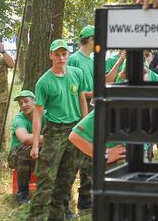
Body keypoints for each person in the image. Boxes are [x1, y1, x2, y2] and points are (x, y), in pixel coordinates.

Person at [28, 39, 90, 220]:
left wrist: (84, 126)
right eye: (57, 54)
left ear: (68, 55)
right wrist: (34, 144)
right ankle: (37, 215)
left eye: (64, 54)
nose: (61, 58)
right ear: (51, 56)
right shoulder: (44, 82)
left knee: (68, 174)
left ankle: (61, 211)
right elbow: (38, 114)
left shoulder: (77, 73)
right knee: (47, 177)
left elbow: (82, 100)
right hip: (55, 131)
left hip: (75, 129)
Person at [67, 25, 96, 210]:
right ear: (91, 39)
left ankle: (85, 198)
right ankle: (64, 201)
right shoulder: (74, 60)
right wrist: (91, 94)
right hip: (77, 115)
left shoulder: (92, 60)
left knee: (89, 158)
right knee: (73, 161)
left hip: (91, 110)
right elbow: (71, 90)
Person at [8, 90, 43, 205]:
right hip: (17, 154)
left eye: (26, 101)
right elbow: (25, 139)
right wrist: (51, 137)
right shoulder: (19, 119)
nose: (23, 105)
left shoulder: (44, 115)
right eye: (20, 103)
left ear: (34, 101)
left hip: (39, 148)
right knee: (26, 151)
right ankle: (22, 193)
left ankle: (51, 191)